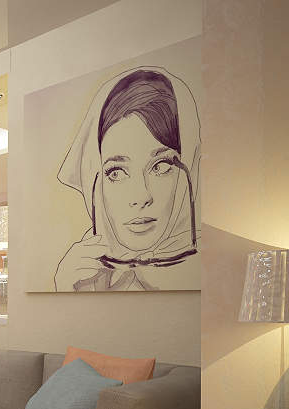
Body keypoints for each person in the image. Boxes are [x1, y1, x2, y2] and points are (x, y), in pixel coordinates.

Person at [54, 67, 200, 292]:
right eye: (116, 173)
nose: (141, 196)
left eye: (160, 167)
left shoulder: (211, 269)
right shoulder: (84, 273)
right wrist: (65, 290)